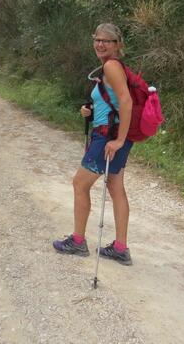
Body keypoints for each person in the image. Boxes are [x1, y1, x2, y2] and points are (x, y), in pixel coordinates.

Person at [53, 22, 134, 265]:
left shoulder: (111, 66)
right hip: (112, 133)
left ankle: (78, 241)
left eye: (106, 40)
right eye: (96, 39)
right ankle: (120, 247)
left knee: (79, 184)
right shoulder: (110, 67)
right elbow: (115, 103)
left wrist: (118, 140)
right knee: (116, 188)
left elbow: (126, 101)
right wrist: (91, 110)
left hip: (109, 137)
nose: (99, 44)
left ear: (117, 45)